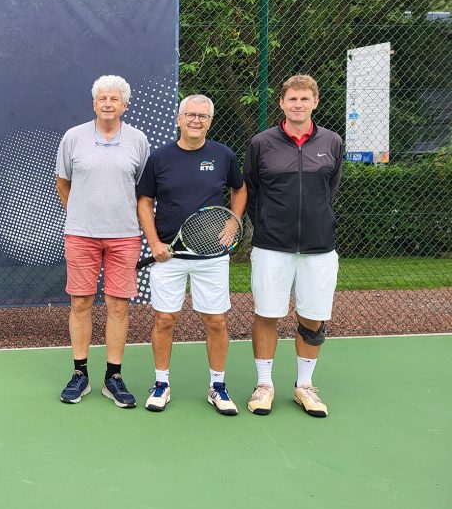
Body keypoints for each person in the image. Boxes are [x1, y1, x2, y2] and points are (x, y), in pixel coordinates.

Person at [135, 95, 247, 415]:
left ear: (210, 121)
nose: (196, 120)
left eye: (203, 116)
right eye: (190, 115)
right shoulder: (160, 158)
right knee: (165, 318)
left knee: (215, 320)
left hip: (211, 256)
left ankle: (218, 387)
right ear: (179, 119)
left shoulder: (223, 155)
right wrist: (154, 242)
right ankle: (161, 384)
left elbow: (240, 189)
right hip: (168, 256)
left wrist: (233, 221)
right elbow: (145, 201)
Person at [243, 74, 343, 418]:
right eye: (292, 99)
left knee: (312, 319)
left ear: (315, 102)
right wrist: (269, 224)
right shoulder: (262, 143)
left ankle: (304, 387)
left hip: (320, 248)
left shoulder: (331, 142)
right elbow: (252, 191)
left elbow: (330, 189)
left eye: (304, 99)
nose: (298, 104)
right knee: (267, 314)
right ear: (282, 103)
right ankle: (264, 385)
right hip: (272, 247)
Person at [55, 75, 151, 407]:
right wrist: (81, 216)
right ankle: (80, 374)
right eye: (102, 98)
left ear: (124, 105)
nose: (107, 103)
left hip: (125, 236)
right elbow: (63, 182)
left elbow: (142, 190)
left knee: (118, 306)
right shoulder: (73, 138)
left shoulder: (138, 140)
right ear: (94, 103)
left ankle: (114, 377)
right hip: (80, 235)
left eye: (114, 99)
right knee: (80, 304)